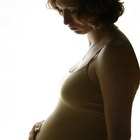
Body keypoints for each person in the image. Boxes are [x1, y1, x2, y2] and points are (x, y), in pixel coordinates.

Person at [29, 0, 140, 140]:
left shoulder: (114, 52)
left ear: (97, 7)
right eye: (62, 10)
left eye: (73, 11)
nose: (65, 20)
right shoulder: (97, 45)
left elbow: (119, 136)